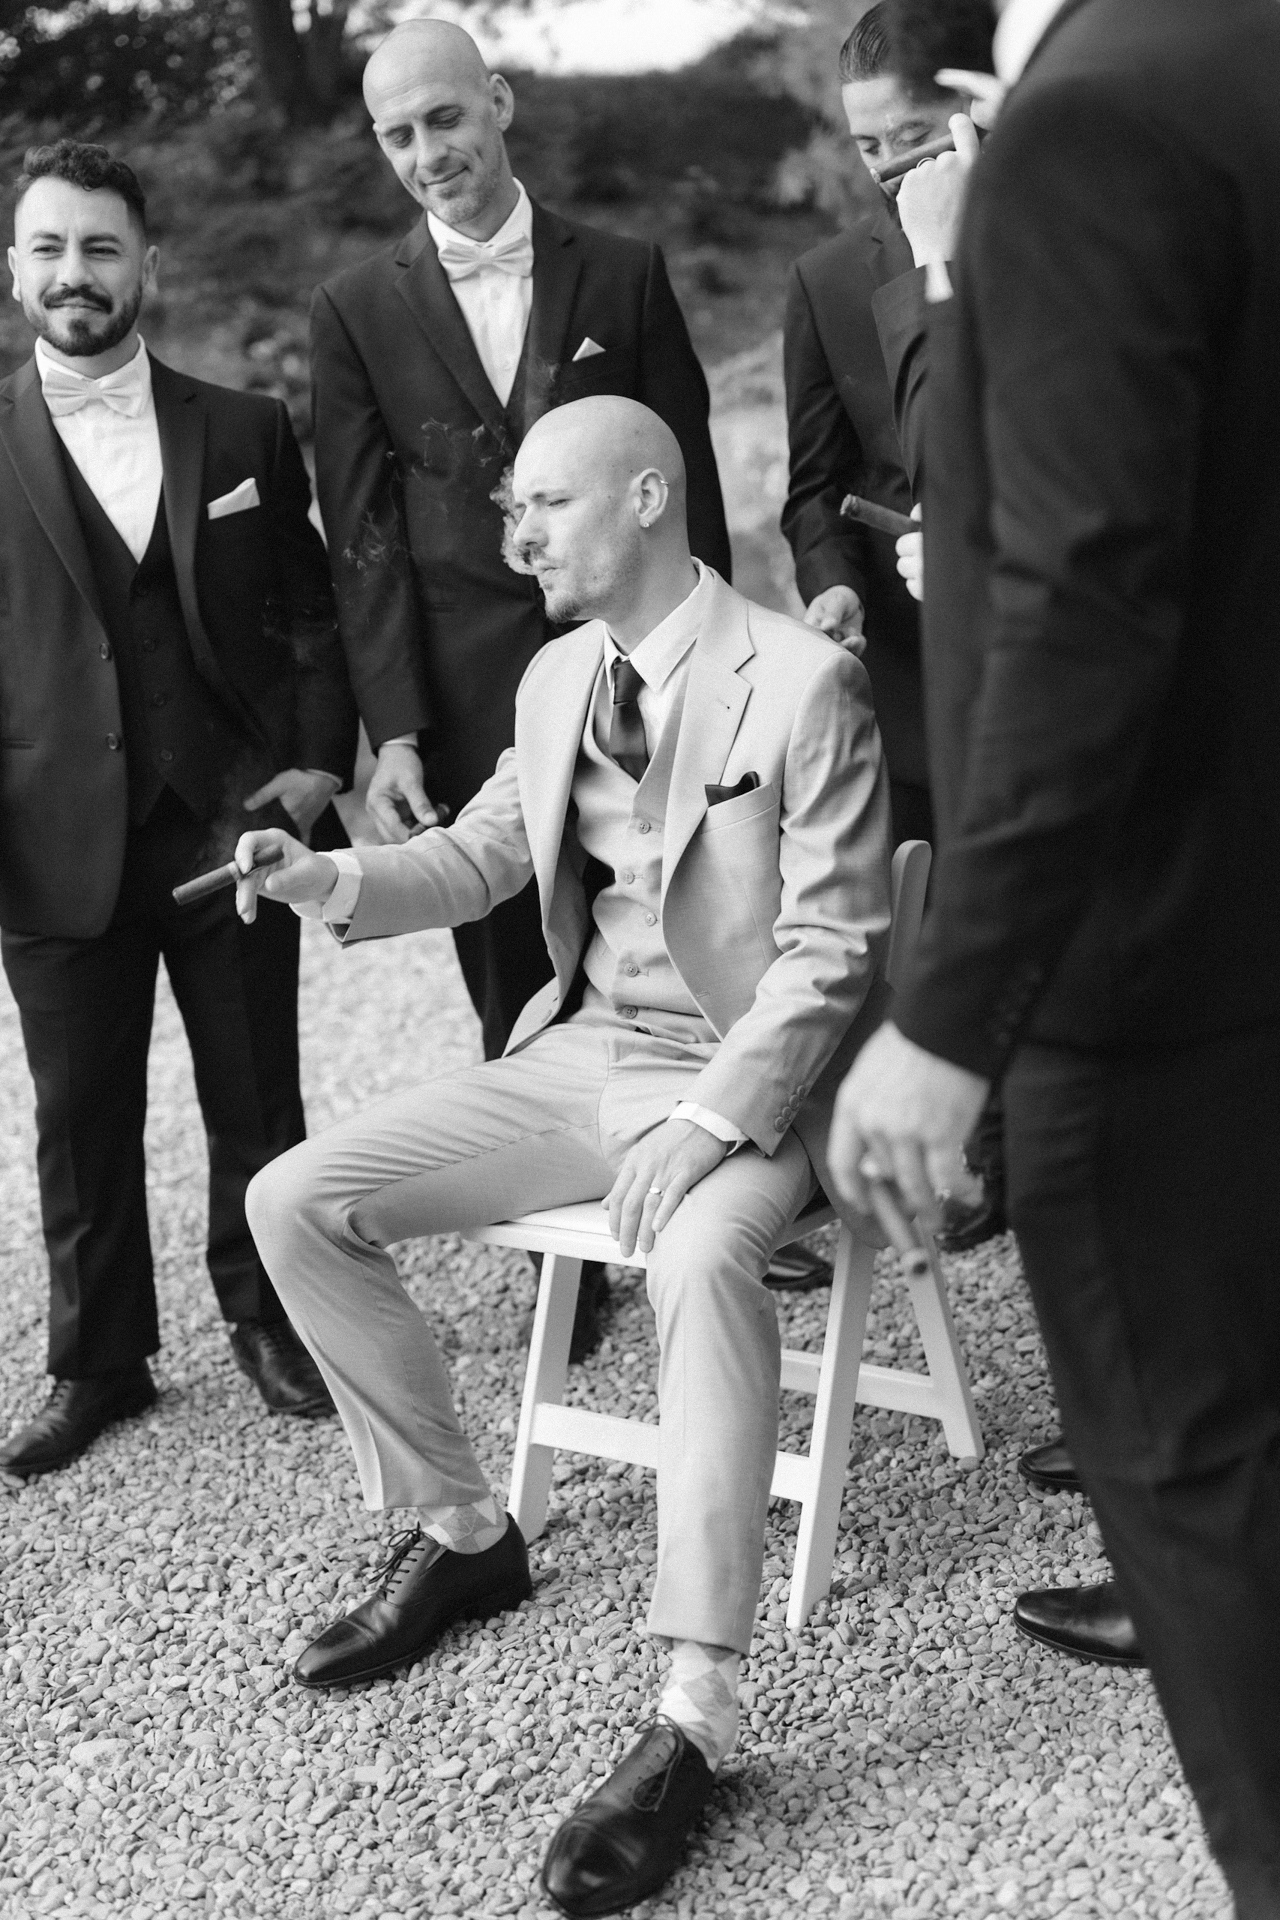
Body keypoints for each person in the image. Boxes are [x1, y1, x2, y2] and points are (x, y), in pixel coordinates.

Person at [238, 396, 892, 1917]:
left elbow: (835, 949)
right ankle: (466, 1528)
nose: (514, 535)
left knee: (705, 1247)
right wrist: (329, 871)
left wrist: (717, 1119)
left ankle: (692, 1719)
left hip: (749, 1082)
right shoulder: (552, 680)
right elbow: (479, 857)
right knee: (299, 1197)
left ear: (649, 498)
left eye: (543, 504)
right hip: (585, 1055)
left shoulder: (805, 685)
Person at [830, 0, 1280, 1908]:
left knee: (1194, 1481)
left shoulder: (1092, 121)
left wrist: (948, 1011)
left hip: (1158, 969)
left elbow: (1085, 603)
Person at [0, 142, 358, 1479]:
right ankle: (101, 1361)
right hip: (51, 832)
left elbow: (311, 612)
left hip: (232, 825)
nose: (75, 273)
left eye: (101, 247)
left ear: (147, 262)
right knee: (76, 1107)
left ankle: (270, 1318)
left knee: (257, 1089)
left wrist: (320, 765)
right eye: (50, 247)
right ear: (16, 266)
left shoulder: (246, 428)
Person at [312, 18, 731, 1061]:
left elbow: (689, 489)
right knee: (513, 978)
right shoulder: (353, 310)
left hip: (642, 683)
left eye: (444, 119)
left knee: (683, 938)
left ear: (497, 103)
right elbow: (362, 538)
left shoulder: (624, 274)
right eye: (397, 136)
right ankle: (539, 1204)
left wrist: (720, 675)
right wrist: (396, 729)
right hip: (465, 704)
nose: (427, 155)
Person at [781, 3, 965, 855]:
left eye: (912, 133)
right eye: (869, 146)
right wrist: (829, 581)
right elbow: (818, 486)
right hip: (913, 675)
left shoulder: (1062, 234)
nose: (893, 166)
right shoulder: (825, 281)